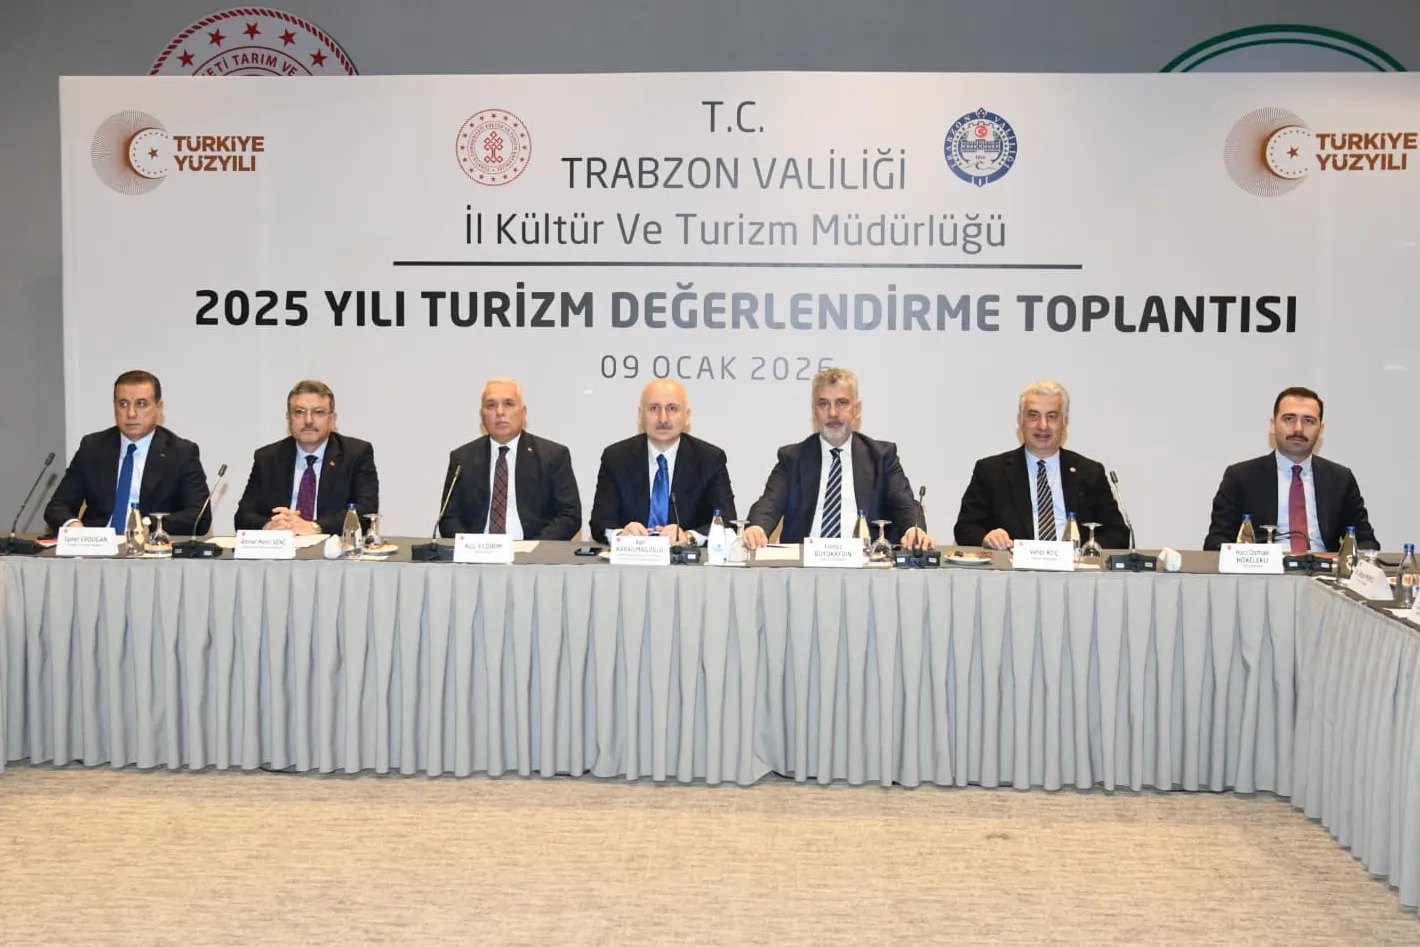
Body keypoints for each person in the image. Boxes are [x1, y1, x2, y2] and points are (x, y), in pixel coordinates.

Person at [742, 367, 932, 549]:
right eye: (824, 404)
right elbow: (769, 503)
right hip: (806, 565)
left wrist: (913, 529)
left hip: (866, 564)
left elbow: (905, 504)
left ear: (857, 409)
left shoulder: (882, 456)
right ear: (814, 411)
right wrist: (757, 528)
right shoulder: (792, 459)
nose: (832, 413)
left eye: (841, 403)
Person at [953, 379, 1128, 550]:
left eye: (1052, 416)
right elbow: (966, 527)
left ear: (1064, 422)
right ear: (1020, 420)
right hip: (1014, 566)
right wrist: (987, 538)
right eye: (1033, 416)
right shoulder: (991, 471)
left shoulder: (1090, 473)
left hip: (1074, 567)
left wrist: (1088, 550)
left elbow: (1118, 533)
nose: (1043, 426)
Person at [1203, 386, 1377, 551]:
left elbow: (1365, 541)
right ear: (1273, 425)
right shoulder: (1241, 477)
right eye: (1289, 419)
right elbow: (1216, 541)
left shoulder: (1340, 479)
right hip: (1264, 568)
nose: (1298, 428)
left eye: (1308, 421)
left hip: (1323, 568)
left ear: (1321, 430)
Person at [44, 369, 212, 536]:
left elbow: (199, 516)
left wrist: (151, 526)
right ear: (114, 407)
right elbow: (58, 506)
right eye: (123, 404)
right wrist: (73, 526)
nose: (131, 414)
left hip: (151, 546)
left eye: (141, 404)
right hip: (97, 545)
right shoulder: (92, 447)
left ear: (159, 408)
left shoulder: (181, 453)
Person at [588, 379, 735, 545]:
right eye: (654, 408)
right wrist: (621, 534)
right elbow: (600, 522)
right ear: (640, 415)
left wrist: (689, 537)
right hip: (632, 558)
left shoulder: (710, 459)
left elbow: (727, 522)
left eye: (672, 408)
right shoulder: (616, 458)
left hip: (686, 560)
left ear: (686, 416)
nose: (663, 418)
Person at [438, 378, 581, 540]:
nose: (499, 412)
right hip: (477, 551)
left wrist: (534, 548)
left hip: (534, 552)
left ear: (523, 412)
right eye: (491, 405)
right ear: (482, 415)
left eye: (508, 404)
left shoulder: (552, 456)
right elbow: (448, 518)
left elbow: (569, 515)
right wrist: (472, 546)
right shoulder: (462, 458)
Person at [234, 380, 379, 535]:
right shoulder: (267, 458)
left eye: (318, 412)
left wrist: (314, 526)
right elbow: (243, 516)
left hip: (330, 546)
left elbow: (366, 512)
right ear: (289, 419)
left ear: (332, 419)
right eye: (299, 412)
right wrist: (269, 526)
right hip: (281, 545)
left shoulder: (356, 454)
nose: (308, 420)